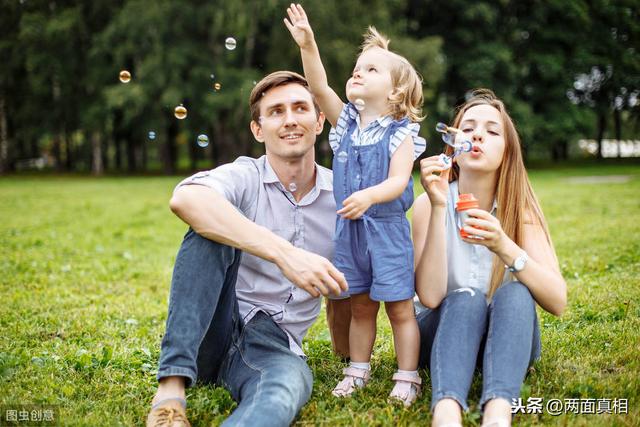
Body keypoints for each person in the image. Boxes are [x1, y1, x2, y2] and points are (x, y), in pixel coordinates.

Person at [145, 70, 349, 427]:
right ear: (258, 130)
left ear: (319, 121)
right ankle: (170, 393)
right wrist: (285, 254)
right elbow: (186, 198)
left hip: (272, 344)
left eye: (300, 108)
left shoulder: (343, 196)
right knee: (209, 229)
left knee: (284, 388)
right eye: (276, 111)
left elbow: (347, 287)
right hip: (215, 326)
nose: (289, 120)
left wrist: (349, 354)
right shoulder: (245, 176)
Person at [285, 3, 426, 406]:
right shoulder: (345, 123)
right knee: (361, 307)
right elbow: (318, 89)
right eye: (357, 66)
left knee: (400, 309)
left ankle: (408, 375)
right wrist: (308, 45)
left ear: (395, 92)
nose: (358, 72)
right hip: (351, 233)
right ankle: (357, 370)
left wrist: (369, 195)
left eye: (372, 69)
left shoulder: (402, 134)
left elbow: (400, 181)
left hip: (386, 232)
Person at [413, 89, 567, 427]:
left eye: (491, 131)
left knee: (515, 292)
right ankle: (447, 413)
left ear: (507, 151)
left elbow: (557, 301)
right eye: (467, 128)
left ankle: (498, 413)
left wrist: (504, 246)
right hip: (442, 335)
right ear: (453, 145)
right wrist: (440, 207)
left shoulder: (519, 209)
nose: (477, 134)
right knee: (465, 299)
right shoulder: (428, 204)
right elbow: (430, 297)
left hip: (506, 338)